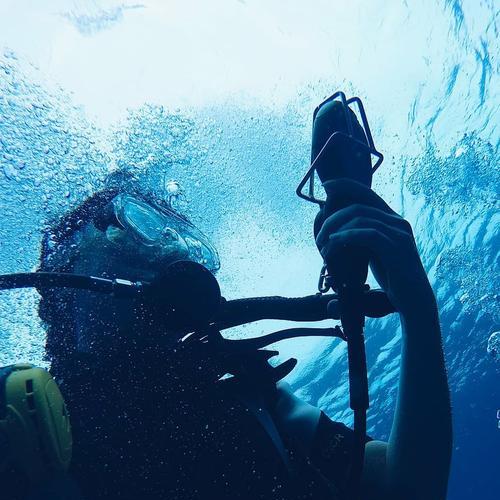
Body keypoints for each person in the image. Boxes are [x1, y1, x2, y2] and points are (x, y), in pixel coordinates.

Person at [5, 119, 452, 498]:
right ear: (63, 286)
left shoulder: (260, 403)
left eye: (169, 242)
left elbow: (408, 488)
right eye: (122, 236)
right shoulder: (19, 427)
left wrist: (417, 309)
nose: (154, 254)